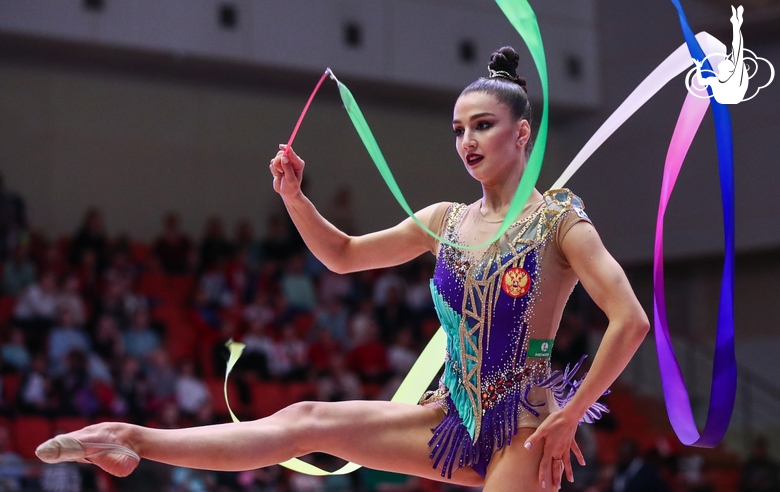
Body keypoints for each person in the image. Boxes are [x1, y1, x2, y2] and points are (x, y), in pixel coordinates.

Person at [34, 47, 649, 491]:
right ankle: (133, 440)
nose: (467, 141)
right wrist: (296, 200)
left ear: (523, 134)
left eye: (483, 126)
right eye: (459, 129)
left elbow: (630, 321)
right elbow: (345, 255)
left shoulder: (559, 224)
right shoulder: (444, 221)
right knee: (304, 420)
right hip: (450, 419)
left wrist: (572, 416)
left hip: (526, 428)